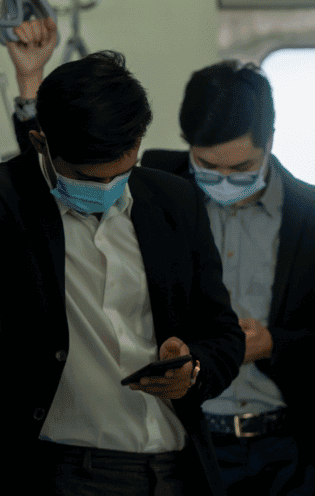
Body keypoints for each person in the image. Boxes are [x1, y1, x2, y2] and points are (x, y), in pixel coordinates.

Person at [1, 27, 245, 495]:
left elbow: (223, 332)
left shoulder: (173, 202)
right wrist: (28, 75)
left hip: (178, 468)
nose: (104, 189)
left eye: (121, 172)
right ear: (40, 143)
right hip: (65, 473)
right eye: (85, 178)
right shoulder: (11, 208)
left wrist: (191, 369)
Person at [138, 61, 315, 495]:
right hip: (184, 440)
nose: (222, 181)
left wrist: (274, 343)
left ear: (270, 141)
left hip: (289, 447)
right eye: (206, 167)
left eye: (241, 167)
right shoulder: (158, 191)